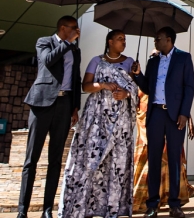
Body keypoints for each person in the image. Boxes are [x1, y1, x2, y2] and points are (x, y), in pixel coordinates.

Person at [60, 30, 138, 218]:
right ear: (110, 41)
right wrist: (102, 85)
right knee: (91, 160)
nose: (123, 42)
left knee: (116, 161)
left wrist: (126, 94)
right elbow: (86, 86)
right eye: (120, 39)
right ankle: (84, 206)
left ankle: (113, 208)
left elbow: (134, 88)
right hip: (96, 118)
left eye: (125, 40)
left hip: (120, 119)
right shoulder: (97, 60)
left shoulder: (129, 63)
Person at [19, 16, 81, 218]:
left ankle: (47, 210)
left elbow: (76, 77)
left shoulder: (75, 50)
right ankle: (23, 210)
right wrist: (66, 42)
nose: (77, 31)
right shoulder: (44, 41)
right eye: (73, 28)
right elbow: (48, 60)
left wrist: (75, 107)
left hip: (64, 105)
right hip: (42, 103)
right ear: (63, 28)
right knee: (32, 159)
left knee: (55, 160)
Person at [132, 27, 194, 218]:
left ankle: (175, 205)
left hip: (175, 116)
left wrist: (185, 113)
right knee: (154, 159)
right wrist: (137, 74)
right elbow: (147, 87)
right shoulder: (153, 61)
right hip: (156, 115)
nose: (155, 42)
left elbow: (189, 87)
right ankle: (152, 205)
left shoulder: (184, 58)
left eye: (157, 39)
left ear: (168, 40)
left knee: (175, 160)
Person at [130, 89, 194, 214]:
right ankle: (148, 200)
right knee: (151, 158)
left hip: (172, 116)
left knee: (171, 158)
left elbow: (179, 95)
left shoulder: (175, 73)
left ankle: (171, 200)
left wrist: (188, 116)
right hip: (148, 113)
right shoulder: (148, 74)